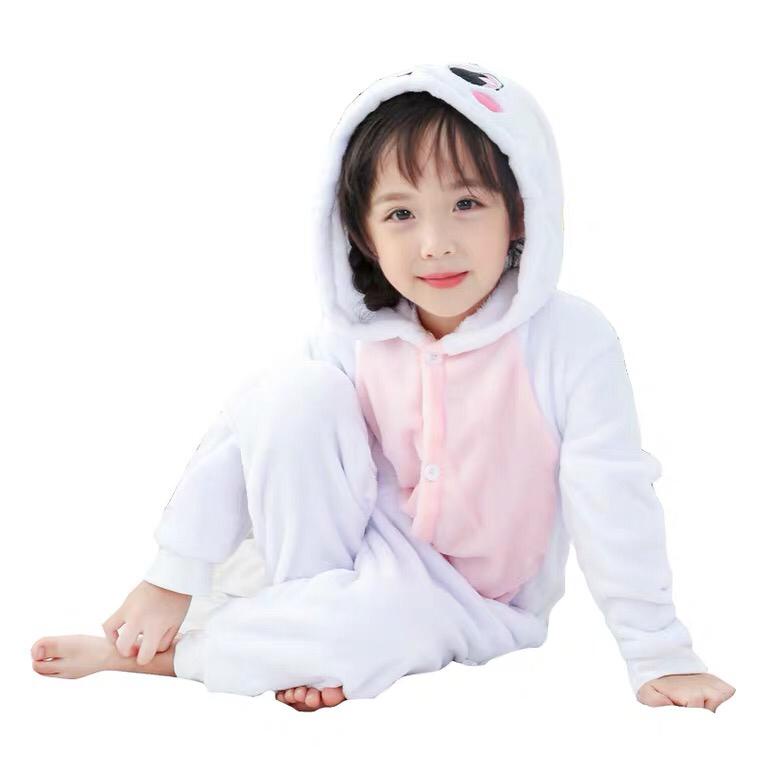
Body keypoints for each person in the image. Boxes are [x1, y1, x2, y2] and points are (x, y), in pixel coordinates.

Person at [31, 62, 736, 712]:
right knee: (288, 393)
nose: (435, 242)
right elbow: (239, 445)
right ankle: (297, 622)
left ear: (521, 210)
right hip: (336, 549)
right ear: (362, 233)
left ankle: (188, 656)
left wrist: (658, 652)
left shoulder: (571, 341)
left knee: (369, 627)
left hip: (467, 601)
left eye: (467, 203)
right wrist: (172, 575)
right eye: (401, 214)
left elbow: (612, 498)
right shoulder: (354, 336)